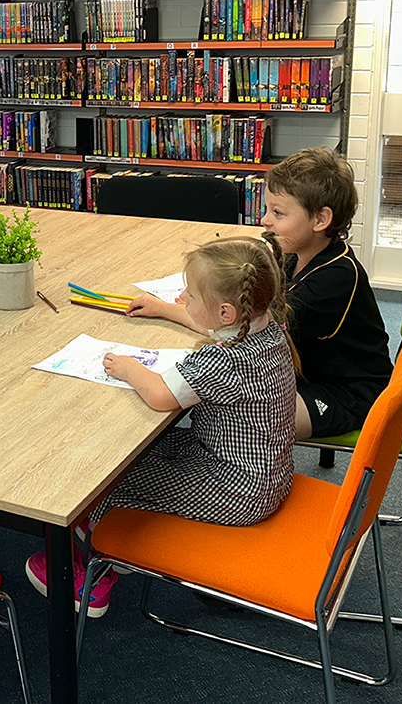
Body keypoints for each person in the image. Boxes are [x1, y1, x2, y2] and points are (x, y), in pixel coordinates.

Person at [26, 236, 299, 618]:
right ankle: (107, 543)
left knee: (101, 479)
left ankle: (94, 575)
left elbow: (157, 394)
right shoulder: (268, 329)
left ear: (224, 312)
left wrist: (128, 368)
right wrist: (164, 310)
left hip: (234, 489)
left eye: (190, 294)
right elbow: (211, 324)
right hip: (264, 471)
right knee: (142, 455)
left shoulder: (224, 362)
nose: (183, 296)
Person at [124, 148, 392, 441]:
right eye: (267, 210)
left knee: (237, 423)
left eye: (278, 213)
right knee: (214, 401)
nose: (265, 220)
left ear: (320, 220)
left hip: (347, 393)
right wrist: (167, 308)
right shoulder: (293, 253)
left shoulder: (336, 279)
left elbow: (240, 326)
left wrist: (169, 309)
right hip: (303, 369)